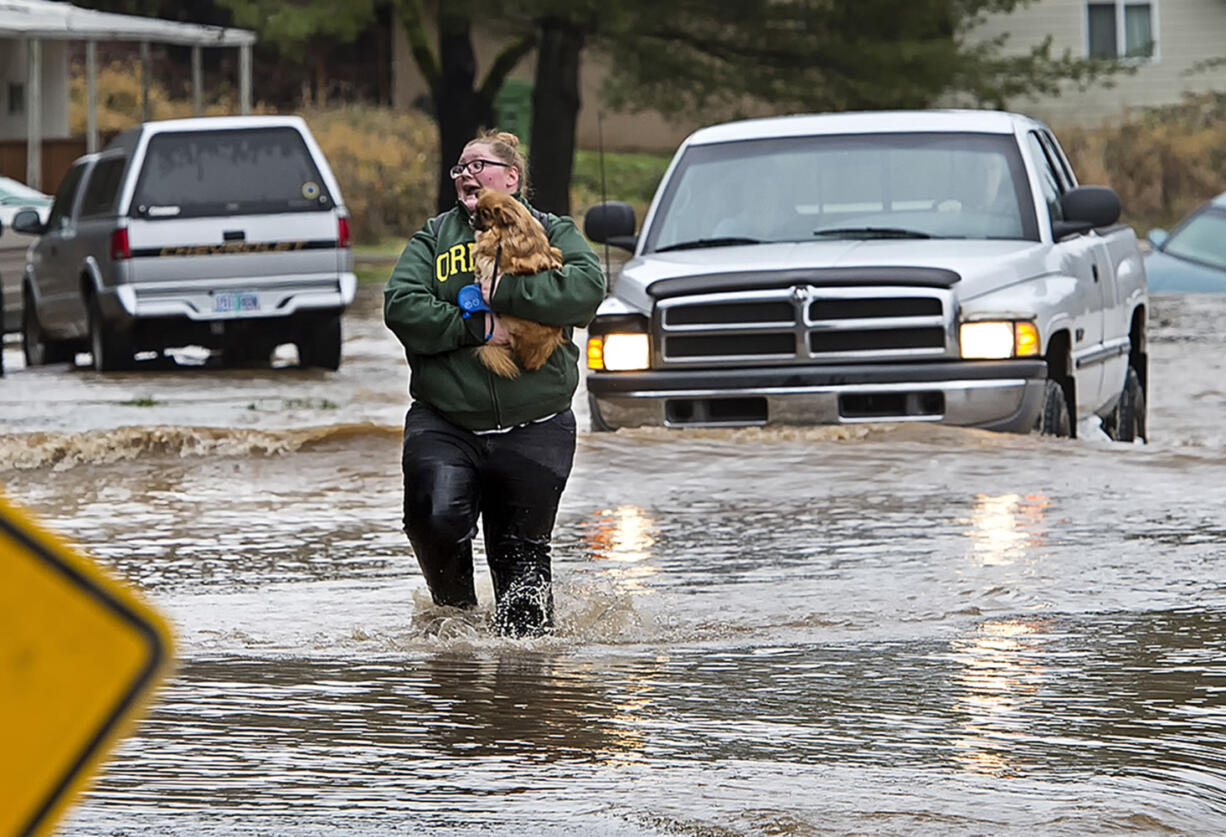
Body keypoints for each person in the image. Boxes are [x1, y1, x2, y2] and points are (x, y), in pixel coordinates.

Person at [383, 130, 605, 637]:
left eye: (478, 165)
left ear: (512, 177)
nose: (466, 174)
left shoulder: (554, 230)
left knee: (522, 571)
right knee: (433, 519)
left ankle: (524, 691)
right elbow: (401, 305)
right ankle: (454, 628)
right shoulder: (434, 237)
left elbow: (586, 292)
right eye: (459, 168)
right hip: (447, 419)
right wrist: (475, 327)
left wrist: (508, 290)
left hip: (536, 423)